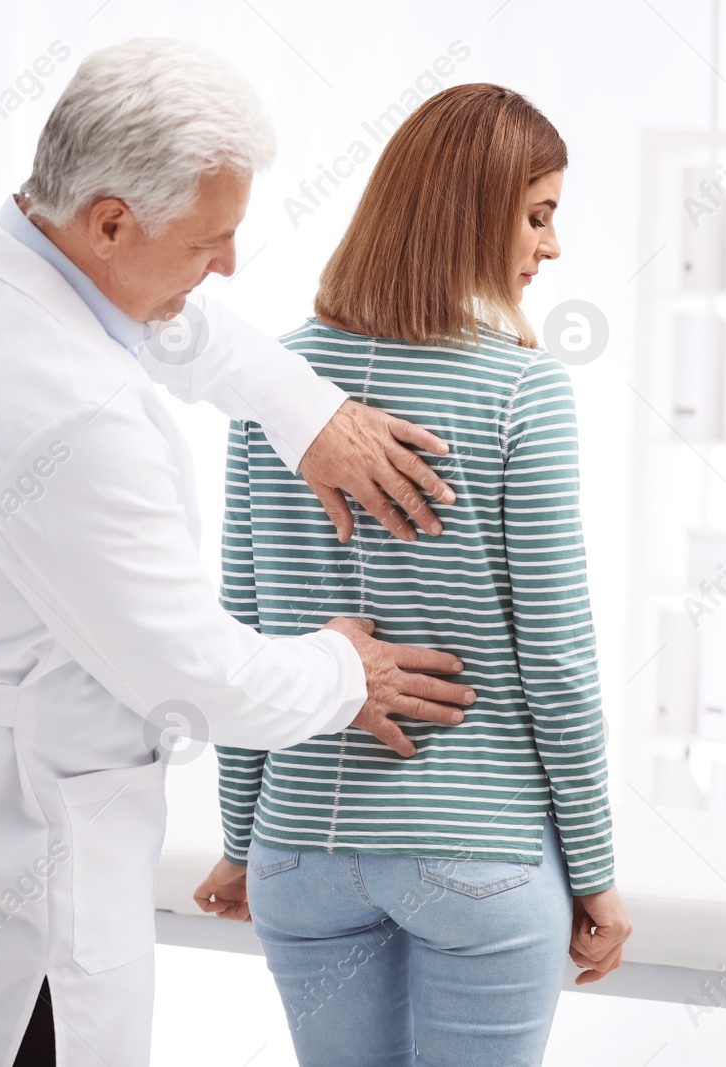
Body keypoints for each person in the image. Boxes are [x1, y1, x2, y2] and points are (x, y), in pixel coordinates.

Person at [0, 39, 480, 1067]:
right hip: (24, 876)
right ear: (109, 219)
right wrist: (341, 669)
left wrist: (300, 408)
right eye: (208, 240)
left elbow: (159, 323)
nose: (227, 263)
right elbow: (198, 674)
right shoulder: (72, 420)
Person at [192, 83, 632, 1066]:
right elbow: (556, 659)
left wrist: (239, 835)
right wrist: (596, 872)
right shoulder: (524, 391)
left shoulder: (274, 377)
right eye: (537, 214)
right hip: (475, 856)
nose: (549, 246)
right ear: (472, 214)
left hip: (299, 851)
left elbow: (245, 626)